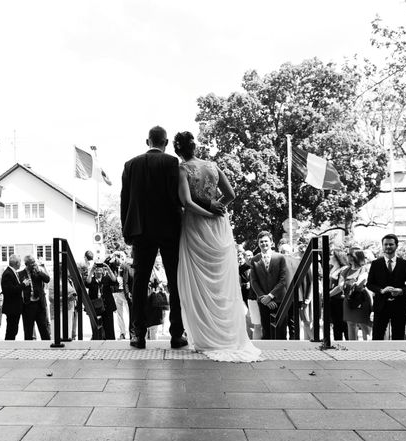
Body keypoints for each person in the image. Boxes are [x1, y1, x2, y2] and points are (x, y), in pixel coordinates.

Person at [174, 131, 261, 362]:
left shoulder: (182, 169)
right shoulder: (213, 165)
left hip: (196, 226)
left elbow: (187, 203)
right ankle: (227, 337)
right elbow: (231, 194)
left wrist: (207, 211)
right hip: (220, 226)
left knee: (200, 282)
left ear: (178, 150)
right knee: (221, 281)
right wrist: (217, 209)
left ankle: (207, 337)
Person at [120, 126, 191, 349]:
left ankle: (137, 335)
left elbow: (125, 201)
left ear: (147, 141)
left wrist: (127, 231)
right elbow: (177, 198)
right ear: (166, 142)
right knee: (174, 282)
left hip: (141, 231)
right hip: (169, 229)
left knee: (140, 284)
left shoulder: (130, 165)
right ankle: (176, 334)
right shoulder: (172, 164)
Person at [366, 234, 406, 340]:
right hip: (380, 306)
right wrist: (381, 290)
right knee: (377, 337)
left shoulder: (405, 264)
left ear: (396, 246)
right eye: (386, 244)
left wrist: (401, 290)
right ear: (382, 246)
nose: (388, 246)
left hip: (399, 306)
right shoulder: (375, 264)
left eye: (391, 244)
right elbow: (369, 284)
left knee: (398, 337)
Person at [250, 231, 288, 340]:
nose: (264, 244)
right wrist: (263, 298)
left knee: (281, 331)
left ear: (271, 242)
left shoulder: (280, 258)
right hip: (263, 302)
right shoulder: (255, 260)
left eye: (266, 241)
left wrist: (270, 296)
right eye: (261, 242)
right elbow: (254, 281)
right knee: (266, 331)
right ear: (258, 243)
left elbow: (283, 280)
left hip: (279, 300)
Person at [332, 248, 372, 341]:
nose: (347, 256)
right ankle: (352, 349)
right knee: (350, 324)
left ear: (355, 256)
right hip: (348, 300)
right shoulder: (345, 270)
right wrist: (328, 294)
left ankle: (369, 349)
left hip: (361, 300)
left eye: (349, 254)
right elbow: (339, 287)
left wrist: (353, 284)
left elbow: (360, 284)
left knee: (364, 324)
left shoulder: (364, 269)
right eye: (347, 254)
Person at [20, 255, 51, 340]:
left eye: (34, 262)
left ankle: (47, 346)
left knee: (43, 328)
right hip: (28, 305)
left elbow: (47, 279)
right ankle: (29, 349)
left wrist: (39, 272)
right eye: (32, 263)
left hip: (39, 304)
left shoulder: (37, 272)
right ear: (26, 264)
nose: (34, 264)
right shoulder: (21, 274)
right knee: (28, 330)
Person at [85, 262, 117, 340]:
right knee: (96, 325)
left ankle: (110, 340)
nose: (98, 270)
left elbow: (114, 280)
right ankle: (97, 338)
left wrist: (108, 269)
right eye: (96, 269)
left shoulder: (106, 278)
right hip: (95, 306)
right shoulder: (92, 279)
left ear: (103, 271)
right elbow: (87, 283)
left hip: (107, 305)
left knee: (109, 326)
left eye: (100, 268)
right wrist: (92, 270)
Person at [328, 249, 350, 341]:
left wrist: (328, 294)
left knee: (343, 324)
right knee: (336, 325)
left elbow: (340, 286)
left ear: (338, 257)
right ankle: (337, 344)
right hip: (333, 300)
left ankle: (348, 345)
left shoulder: (344, 269)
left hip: (340, 300)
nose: (330, 256)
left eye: (332, 255)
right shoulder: (333, 268)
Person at [107, 251, 130, 339]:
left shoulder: (126, 266)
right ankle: (122, 333)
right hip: (116, 292)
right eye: (118, 257)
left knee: (129, 312)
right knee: (119, 314)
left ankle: (132, 331)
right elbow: (105, 262)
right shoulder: (113, 266)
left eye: (122, 257)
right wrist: (112, 255)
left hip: (124, 292)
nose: (119, 259)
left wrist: (122, 256)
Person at [1, 254, 24, 340]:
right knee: (11, 329)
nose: (20, 264)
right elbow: (10, 290)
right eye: (20, 262)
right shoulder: (8, 274)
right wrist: (23, 285)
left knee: (14, 329)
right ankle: (8, 345)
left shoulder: (13, 272)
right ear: (17, 263)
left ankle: (10, 343)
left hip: (15, 307)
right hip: (12, 307)